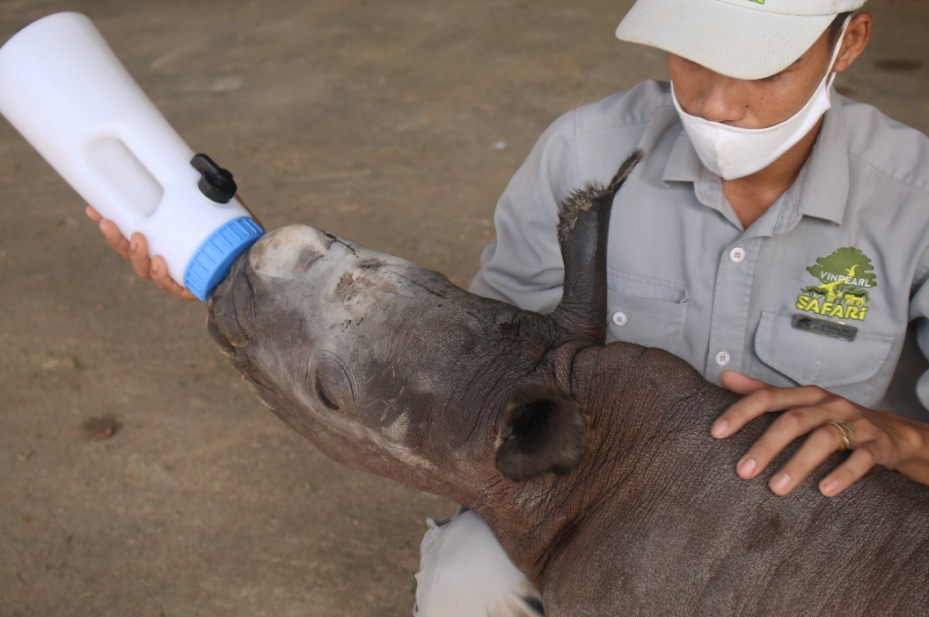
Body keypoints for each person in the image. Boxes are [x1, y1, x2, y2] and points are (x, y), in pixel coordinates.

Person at [90, 1, 929, 614]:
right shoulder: (588, 152)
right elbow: (465, 377)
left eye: (759, 66)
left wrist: (902, 437)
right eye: (691, 54)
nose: (714, 100)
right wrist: (237, 285)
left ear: (846, 39)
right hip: (578, 504)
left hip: (827, 553)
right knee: (466, 586)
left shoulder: (914, 198)